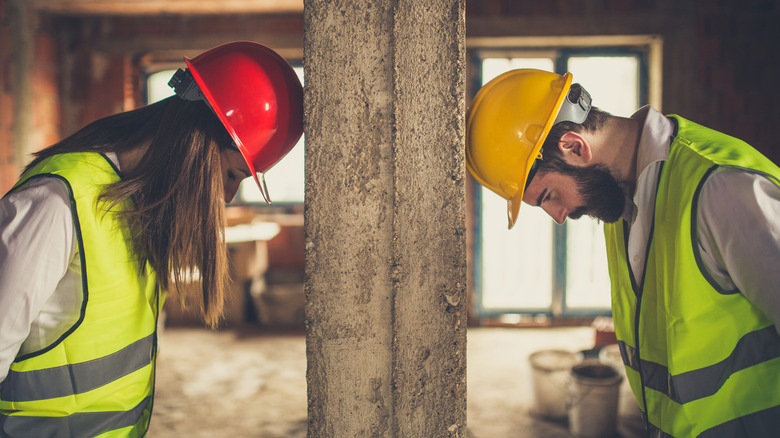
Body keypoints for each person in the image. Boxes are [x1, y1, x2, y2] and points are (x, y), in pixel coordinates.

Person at [0, 41, 303, 437]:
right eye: (231, 175)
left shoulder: (140, 208)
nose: (227, 198)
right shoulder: (55, 204)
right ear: (195, 143)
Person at [466, 69, 780, 437]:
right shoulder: (620, 202)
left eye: (548, 196)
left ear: (574, 146)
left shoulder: (719, 190)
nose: (558, 217)